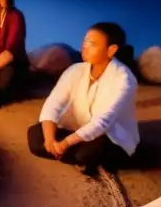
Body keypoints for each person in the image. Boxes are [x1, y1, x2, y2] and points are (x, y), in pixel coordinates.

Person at [27, 22, 139, 175]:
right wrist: (50, 139)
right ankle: (74, 156)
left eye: (92, 43)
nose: (85, 46)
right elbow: (53, 104)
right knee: (35, 136)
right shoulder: (75, 70)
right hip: (78, 129)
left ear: (111, 50)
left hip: (108, 136)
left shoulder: (123, 79)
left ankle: (79, 157)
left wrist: (65, 143)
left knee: (89, 152)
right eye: (85, 41)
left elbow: (102, 122)